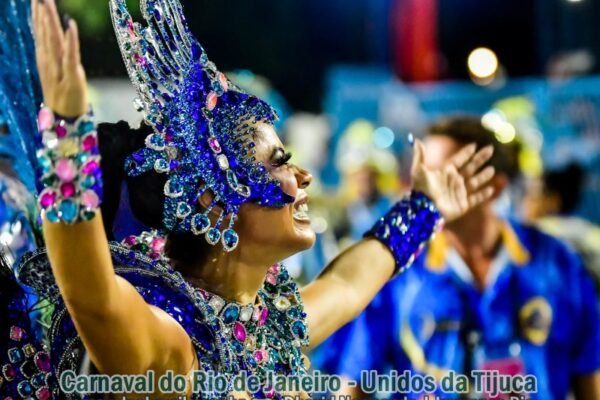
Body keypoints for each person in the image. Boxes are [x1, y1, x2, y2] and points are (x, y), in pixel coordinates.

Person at [2, 0, 495, 398]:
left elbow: (349, 283)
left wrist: (424, 209)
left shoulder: (268, 327)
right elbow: (92, 298)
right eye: (279, 161)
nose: (302, 177)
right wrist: (66, 141)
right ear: (217, 203)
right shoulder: (176, 345)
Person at [315, 116, 600, 400]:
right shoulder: (398, 271)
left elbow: (590, 374)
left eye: (443, 176)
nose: (425, 188)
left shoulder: (557, 264)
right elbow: (352, 381)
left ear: (496, 187)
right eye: (422, 175)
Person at [521, 163, 600, 292]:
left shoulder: (540, 232)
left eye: (532, 195)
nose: (525, 202)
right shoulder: (587, 229)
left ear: (553, 201)